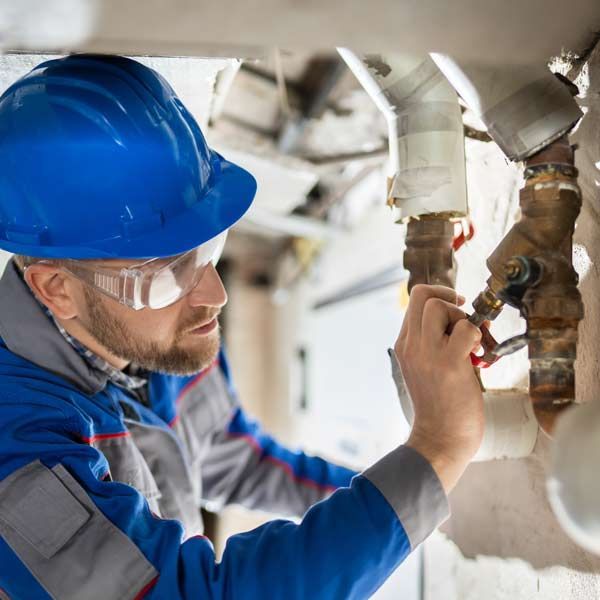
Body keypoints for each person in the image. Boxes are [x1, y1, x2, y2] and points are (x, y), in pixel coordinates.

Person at [0, 54, 484, 600]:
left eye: (208, 248)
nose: (214, 295)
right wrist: (439, 447)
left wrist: (411, 492)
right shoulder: (18, 443)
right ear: (55, 288)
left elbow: (236, 459)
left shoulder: (161, 339)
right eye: (166, 273)